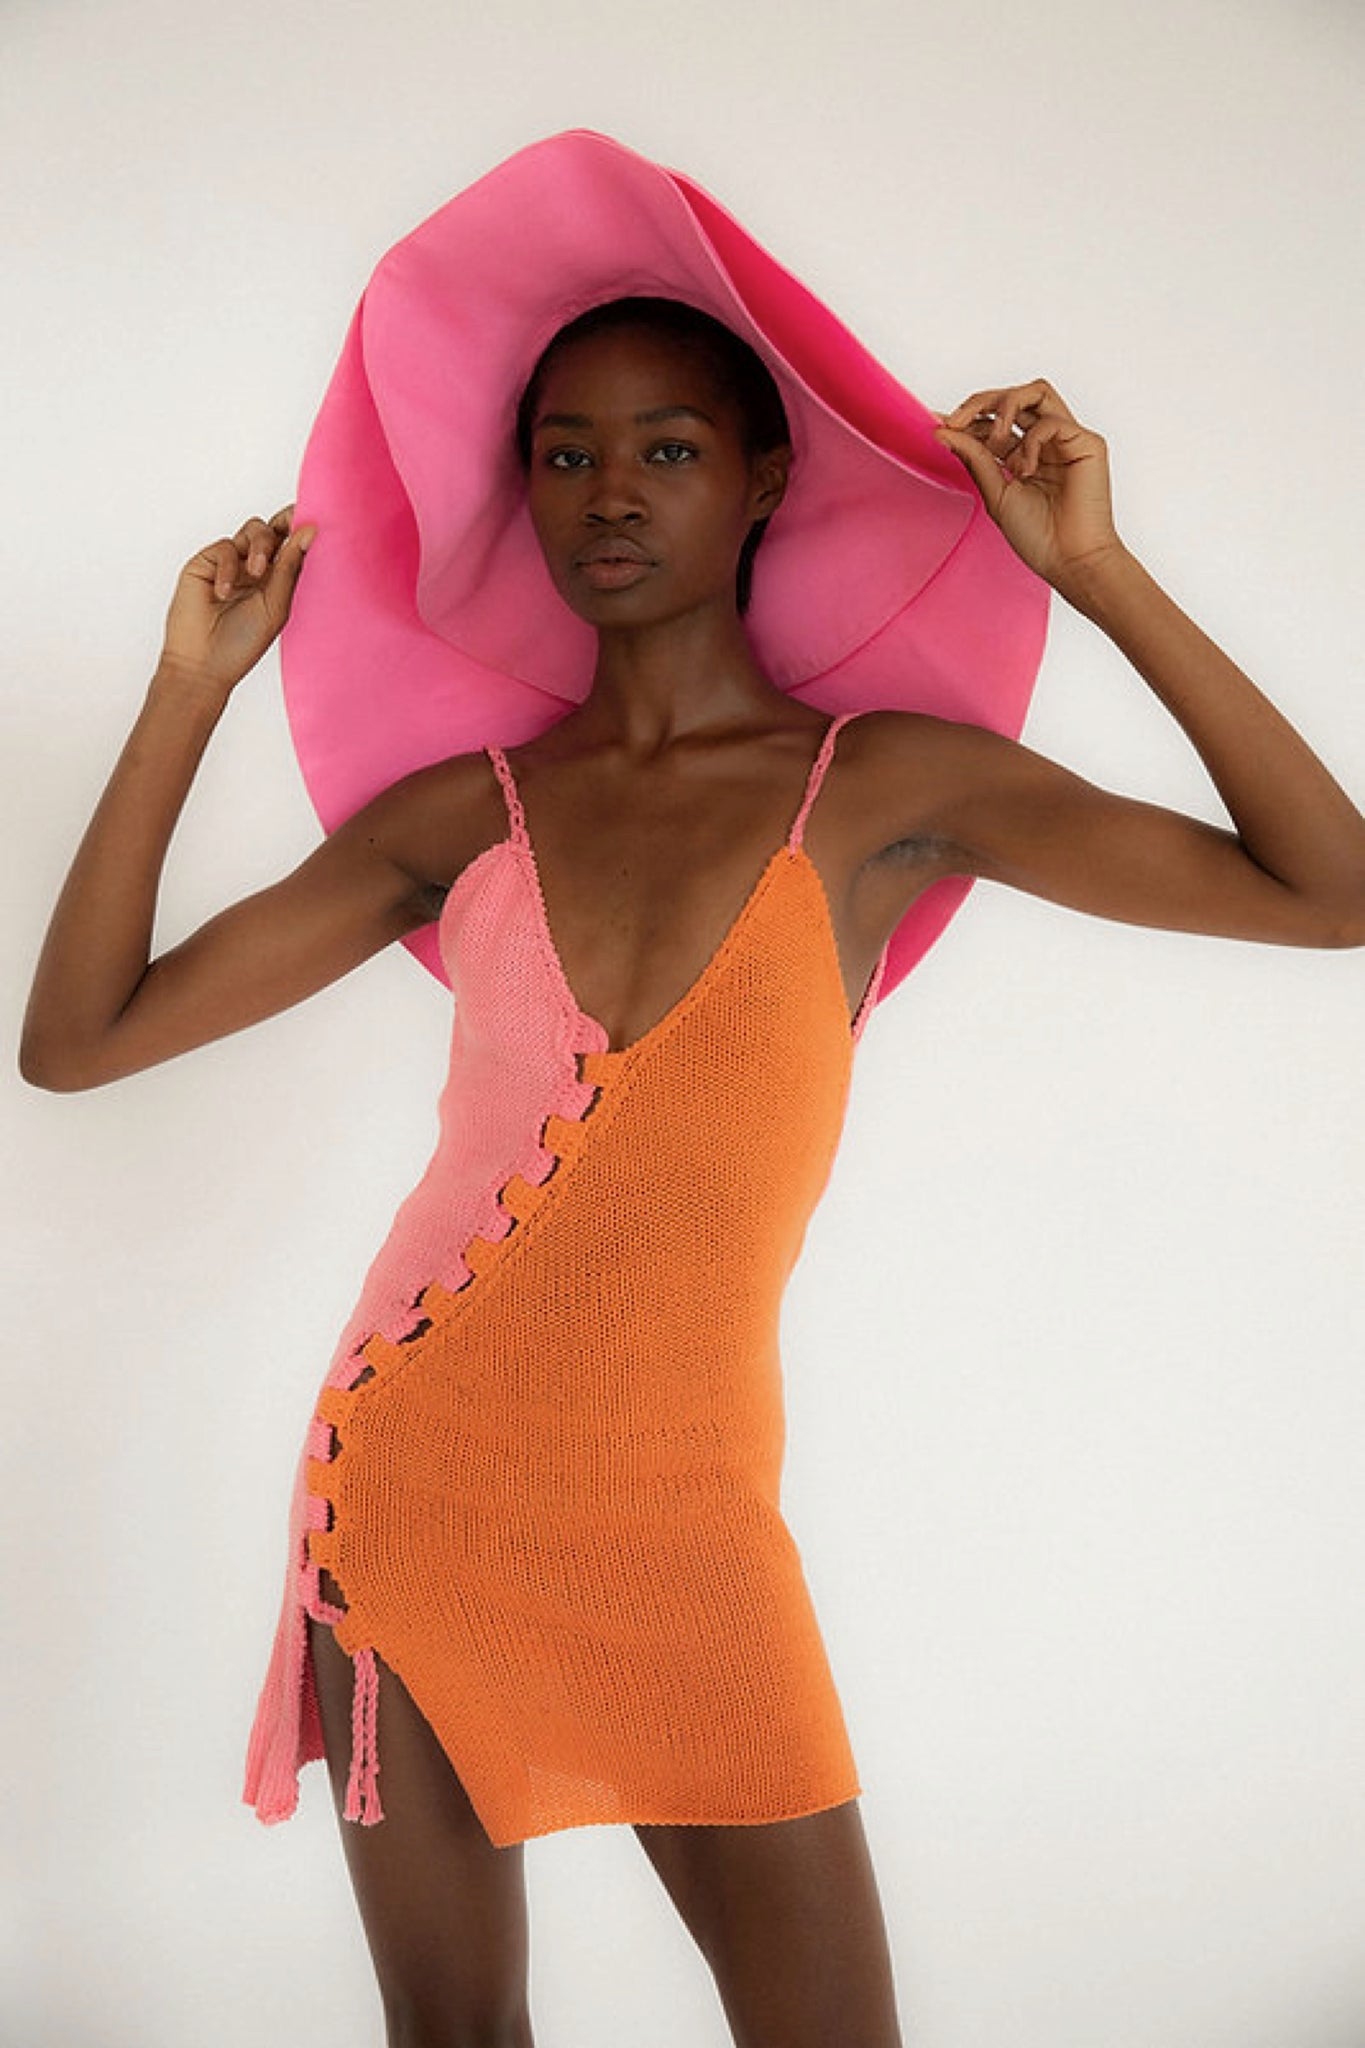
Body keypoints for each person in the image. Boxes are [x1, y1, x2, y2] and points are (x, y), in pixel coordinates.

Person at [20, 290, 1365, 2048]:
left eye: (666, 448)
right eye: (564, 455)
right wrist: (189, 690)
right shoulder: (458, 815)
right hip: (414, 1488)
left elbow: (1329, 890)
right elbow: (79, 1038)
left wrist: (1094, 571)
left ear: (761, 481)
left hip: (687, 1521)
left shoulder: (882, 789)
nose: (609, 493)